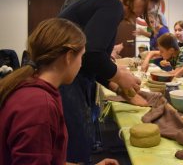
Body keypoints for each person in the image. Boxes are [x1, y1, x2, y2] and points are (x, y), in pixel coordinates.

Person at [58, 0, 162, 164]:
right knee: (76, 143)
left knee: (80, 140)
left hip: (72, 77)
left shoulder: (109, 7)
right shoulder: (112, 4)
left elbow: (92, 62)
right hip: (63, 77)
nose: (145, 13)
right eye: (147, 6)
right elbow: (91, 53)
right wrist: (121, 76)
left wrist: (120, 89)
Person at [0, 18, 118, 165]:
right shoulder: (39, 106)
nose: (81, 63)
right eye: (81, 56)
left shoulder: (32, 88)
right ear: (69, 57)